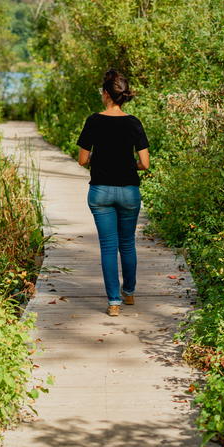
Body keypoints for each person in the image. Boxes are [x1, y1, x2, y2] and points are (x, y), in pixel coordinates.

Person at [76, 70, 150, 317]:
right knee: (127, 244)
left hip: (100, 193)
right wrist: (131, 165)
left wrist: (98, 159)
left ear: (106, 93)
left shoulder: (93, 121)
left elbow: (82, 160)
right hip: (129, 191)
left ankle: (114, 302)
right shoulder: (133, 122)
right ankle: (129, 292)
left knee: (108, 247)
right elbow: (145, 163)